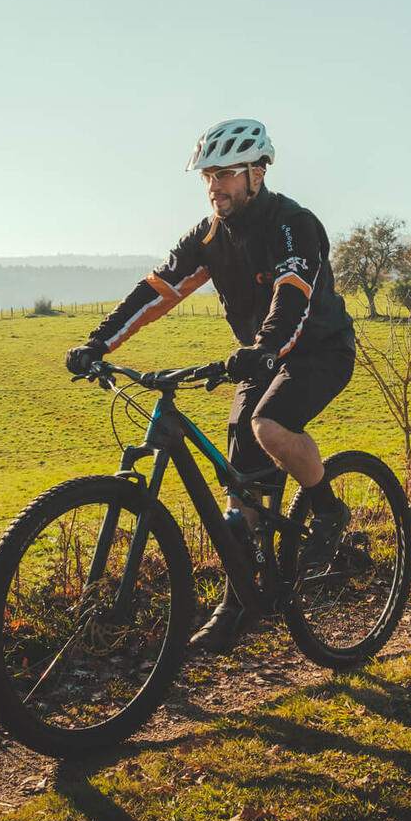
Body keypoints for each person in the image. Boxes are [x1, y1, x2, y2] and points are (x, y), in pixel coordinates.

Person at [65, 118, 358, 653]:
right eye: (207, 176)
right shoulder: (208, 236)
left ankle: (327, 508)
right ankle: (240, 603)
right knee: (240, 486)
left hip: (317, 349)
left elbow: (291, 297)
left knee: (269, 424)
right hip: (260, 358)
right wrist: (99, 344)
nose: (214, 186)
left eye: (224, 174)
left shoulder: (294, 224)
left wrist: (264, 348)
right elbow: (157, 290)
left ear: (256, 172)